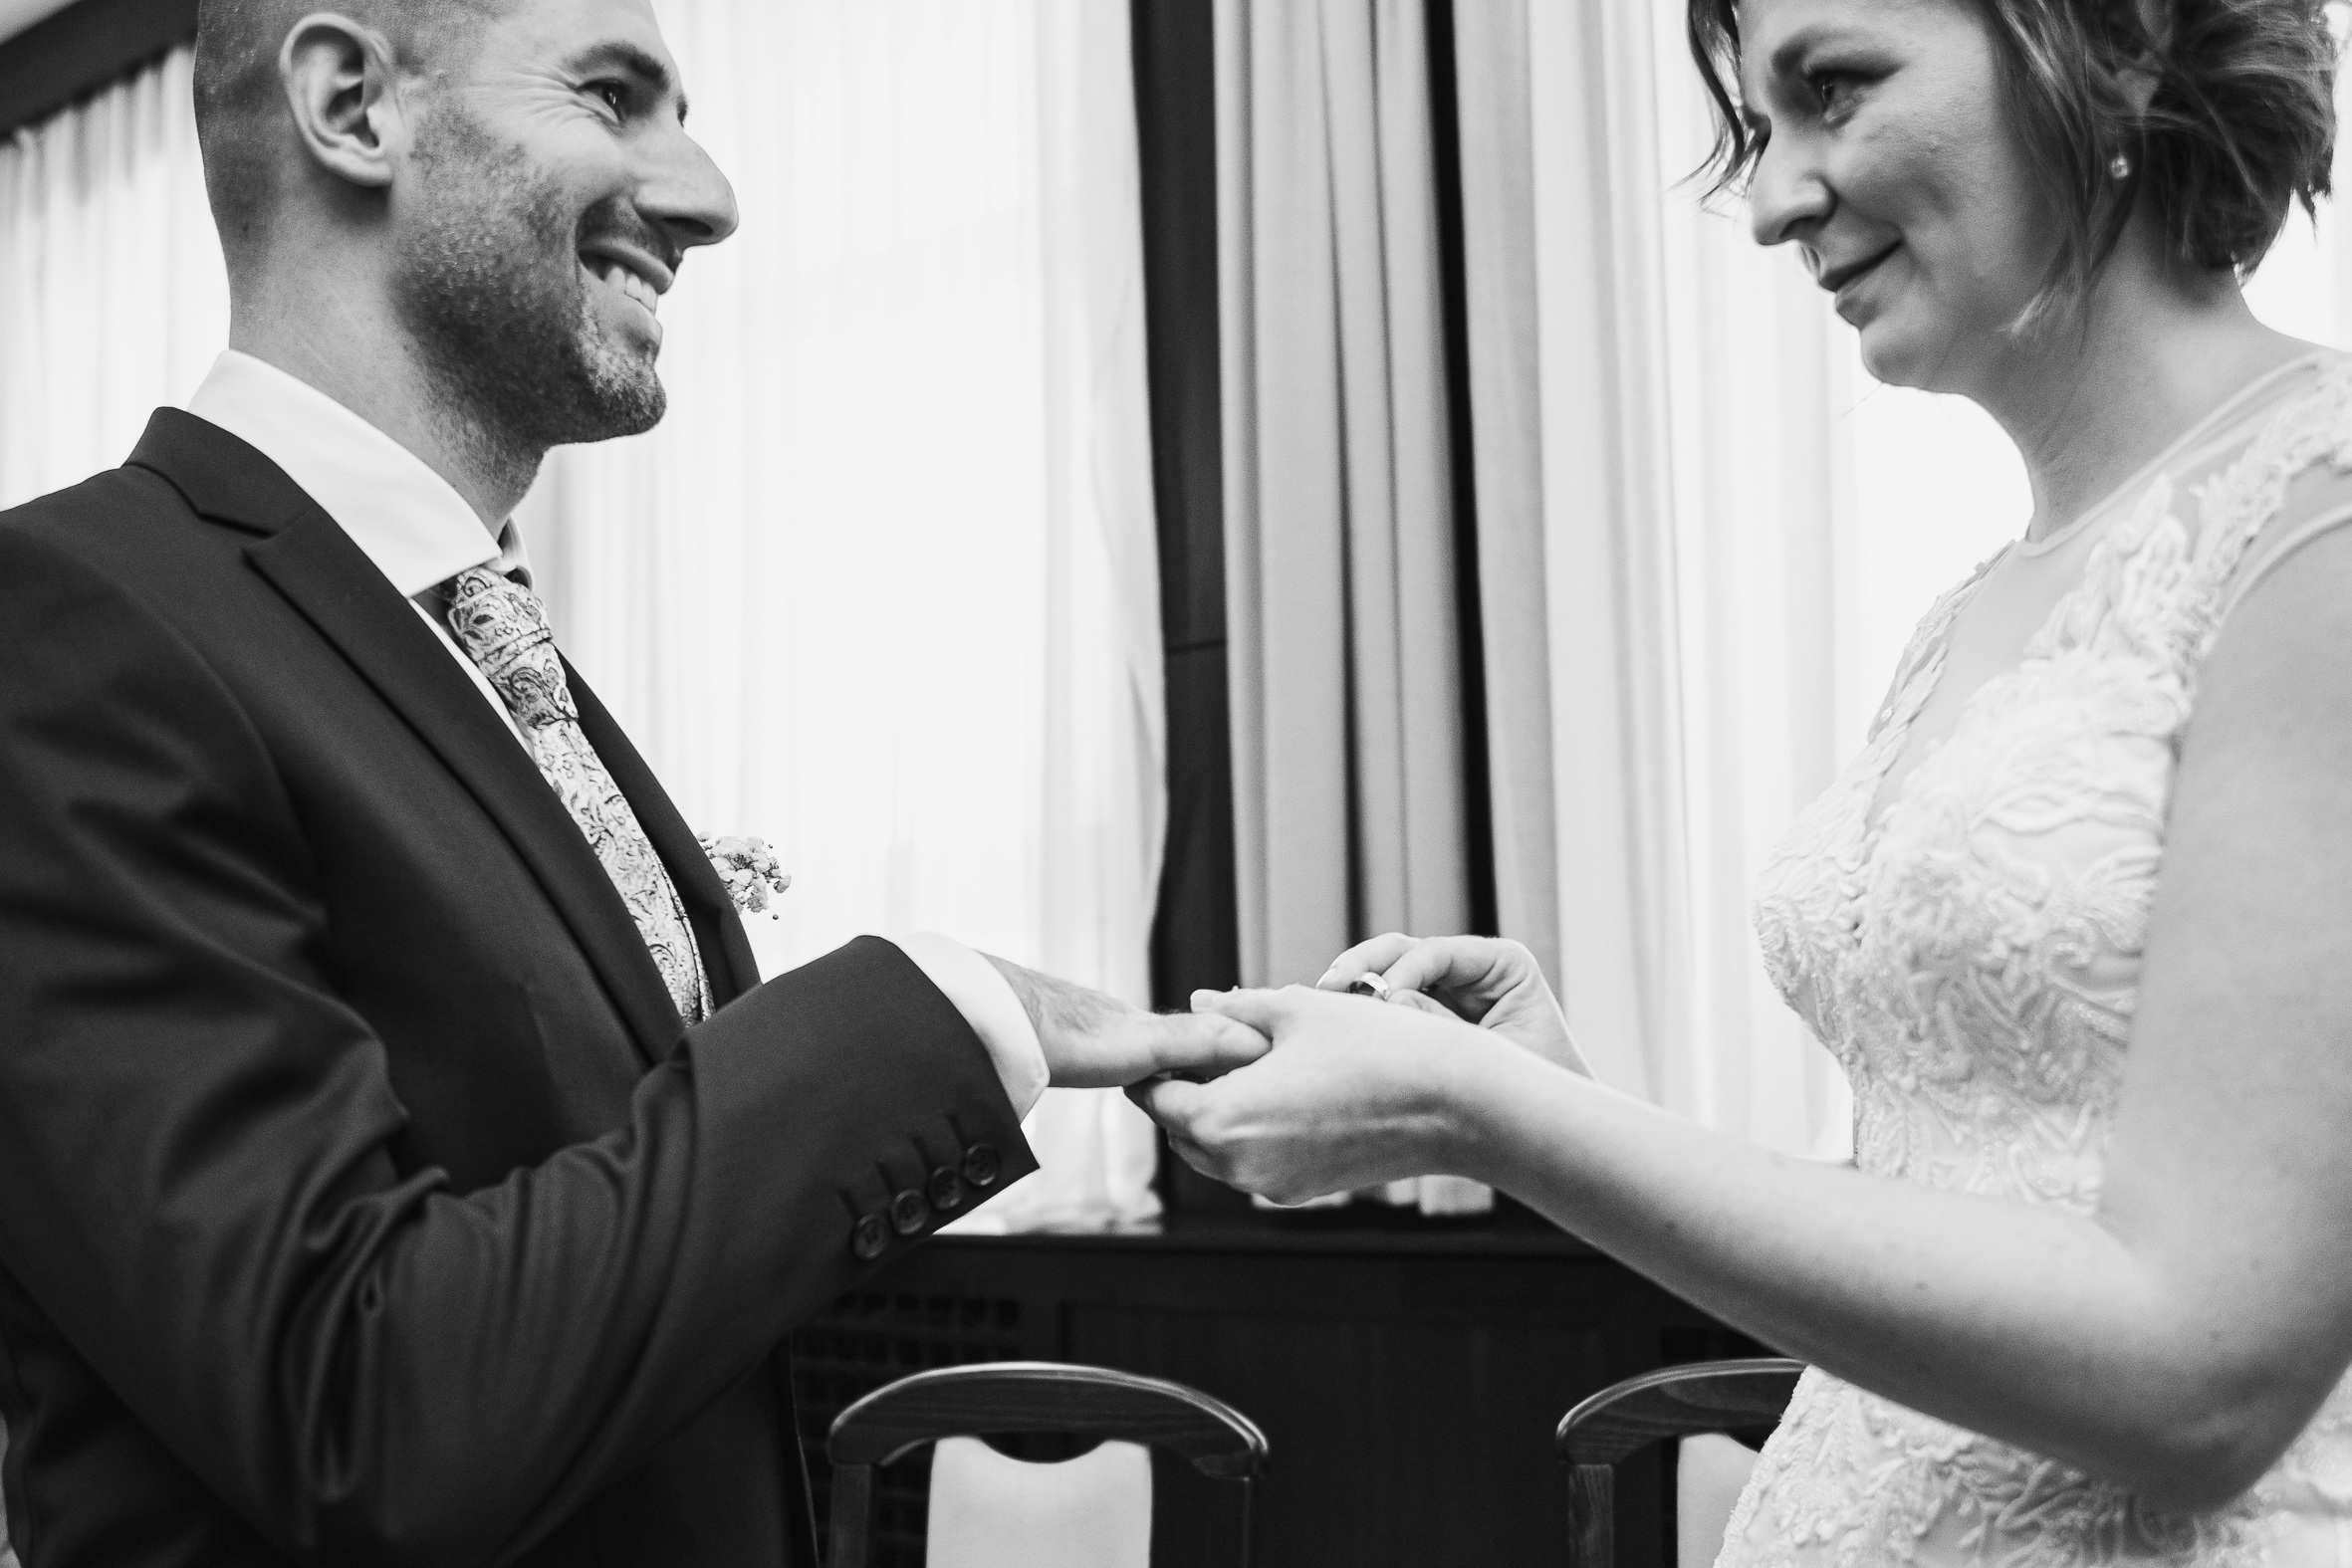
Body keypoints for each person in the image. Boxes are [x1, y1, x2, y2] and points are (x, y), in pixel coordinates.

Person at [0, 0, 1265, 1564]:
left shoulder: (462, 641)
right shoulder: (64, 624)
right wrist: (932, 1013)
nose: (708, 198)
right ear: (352, 104)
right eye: (612, 96)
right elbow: (361, 1410)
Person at [1141, 0, 2352, 1557]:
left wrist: (1484, 1116)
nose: (1772, 202)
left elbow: (2200, 1375)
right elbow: (1966, 1217)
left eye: (1832, 89)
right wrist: (1563, 1105)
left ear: (2110, 46)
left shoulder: (2318, 515)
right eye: (1755, 131)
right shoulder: (1972, 609)